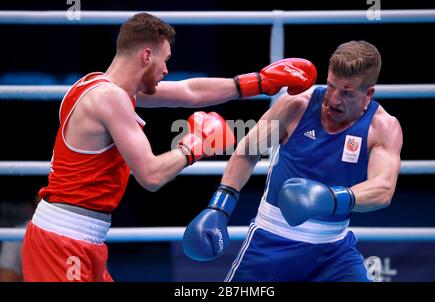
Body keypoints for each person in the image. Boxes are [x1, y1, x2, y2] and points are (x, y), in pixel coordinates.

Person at [21, 12, 317, 282]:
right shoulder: (109, 99)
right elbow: (150, 176)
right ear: (146, 55)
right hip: (63, 243)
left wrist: (257, 83)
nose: (166, 69)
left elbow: (189, 91)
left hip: (79, 238)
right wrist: (195, 146)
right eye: (165, 60)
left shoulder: (95, 86)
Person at [183, 40, 403, 282]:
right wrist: (219, 207)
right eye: (331, 86)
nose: (334, 99)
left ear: (368, 94)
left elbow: (383, 190)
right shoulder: (297, 106)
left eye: (347, 92)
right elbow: (248, 151)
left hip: (335, 252)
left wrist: (331, 198)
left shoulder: (382, 126)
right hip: (271, 242)